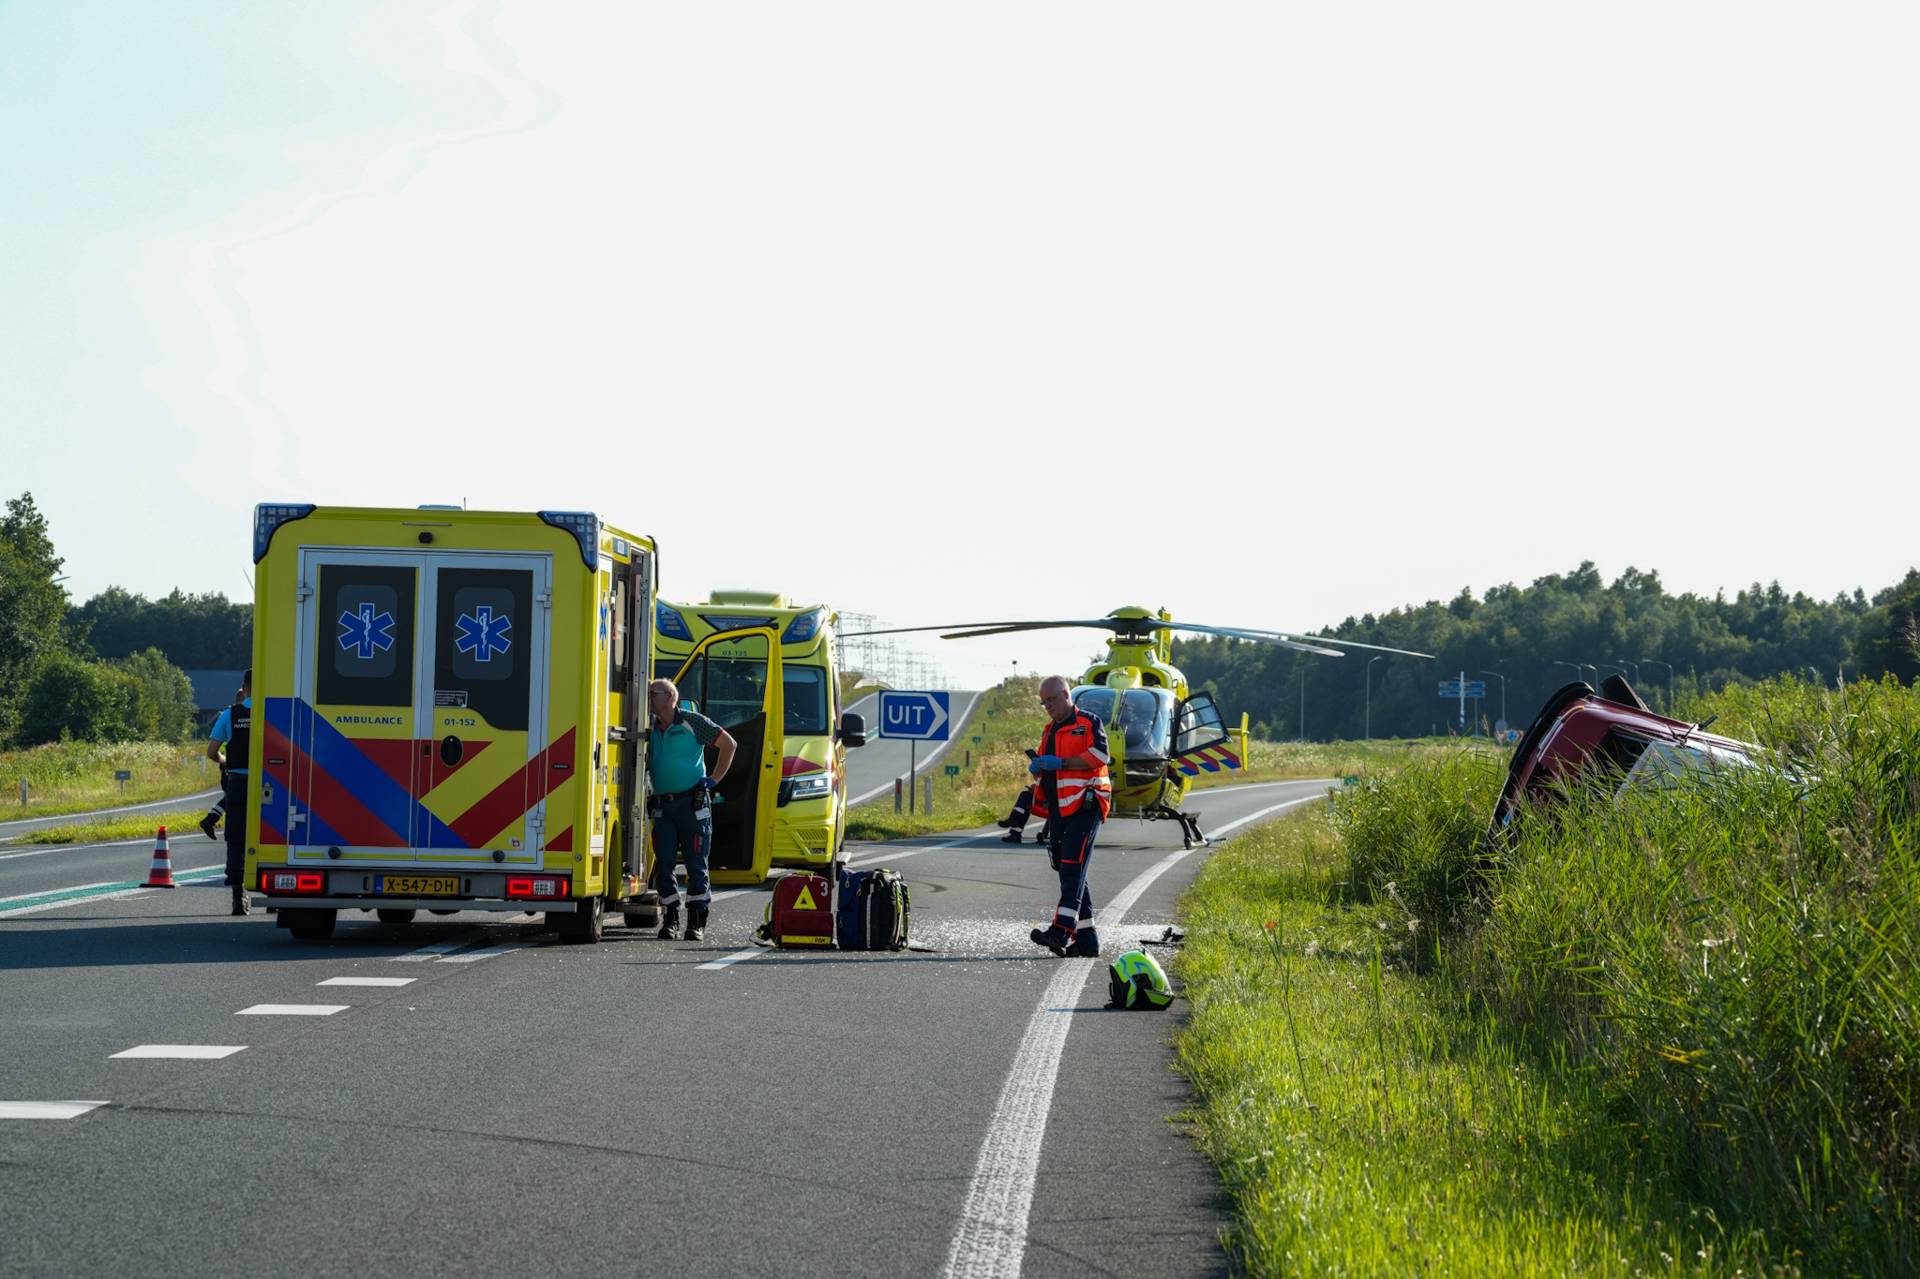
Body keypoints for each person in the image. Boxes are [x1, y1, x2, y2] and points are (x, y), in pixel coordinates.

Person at [1027, 675, 1112, 957]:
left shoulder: (1088, 723)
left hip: (1087, 804)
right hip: (1060, 809)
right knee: (1070, 870)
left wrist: (1061, 763)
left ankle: (1061, 932)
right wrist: (1039, 767)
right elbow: (1046, 765)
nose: (1048, 706)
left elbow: (1100, 756)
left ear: (1066, 695)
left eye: (1051, 700)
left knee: (1072, 868)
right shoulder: (1049, 730)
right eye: (1044, 702)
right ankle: (1087, 939)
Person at [646, 677, 736, 942]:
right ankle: (670, 919)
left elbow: (729, 744)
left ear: (670, 698)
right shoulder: (648, 725)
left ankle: (696, 922)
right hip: (663, 803)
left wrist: (714, 780)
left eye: (654, 693)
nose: (649, 697)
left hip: (691, 803)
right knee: (664, 863)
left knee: (696, 863)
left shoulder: (691, 721)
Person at [206, 669, 252, 916]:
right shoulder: (273, 713)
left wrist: (225, 761)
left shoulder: (230, 715)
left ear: (243, 689)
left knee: (236, 838)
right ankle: (277, 898)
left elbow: (211, 752)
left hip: (238, 782)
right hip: (270, 785)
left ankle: (237, 894)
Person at [198, 682, 245, 840]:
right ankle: (211, 819)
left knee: (229, 798)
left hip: (226, 765)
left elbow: (214, 748)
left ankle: (211, 819)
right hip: (232, 765)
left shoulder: (227, 716)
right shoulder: (237, 716)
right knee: (232, 801)